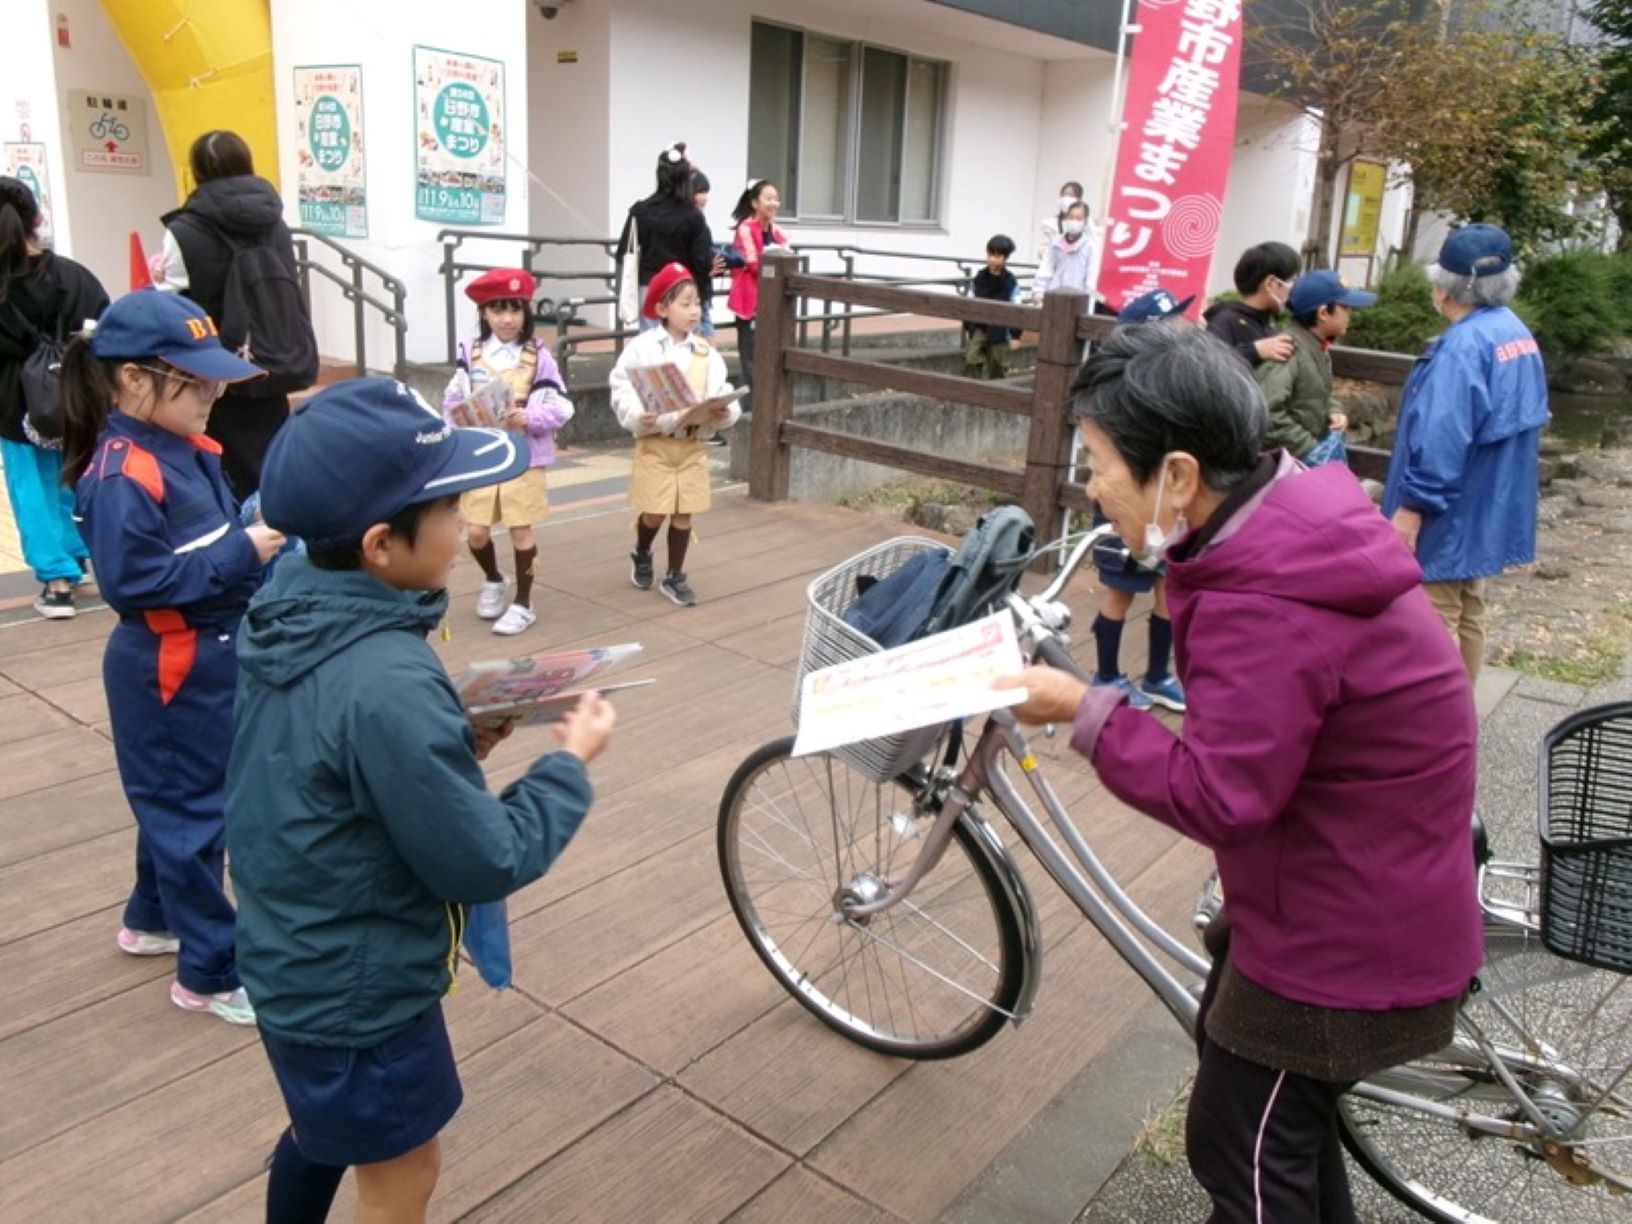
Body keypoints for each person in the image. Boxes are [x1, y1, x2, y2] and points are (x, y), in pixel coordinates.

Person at [1000, 322, 1482, 1223]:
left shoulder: (1264, 603)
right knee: (1275, 1136)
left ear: (1178, 475)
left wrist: (1082, 706)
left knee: (1246, 1150)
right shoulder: (1285, 521)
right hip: (1366, 882)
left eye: (1100, 462)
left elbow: (1224, 794)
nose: (1093, 488)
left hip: (1342, 936)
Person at [226, 377, 616, 1224]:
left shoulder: (287, 612)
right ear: (378, 545)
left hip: (291, 949)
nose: (461, 519)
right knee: (404, 1166)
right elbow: (485, 857)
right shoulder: (387, 674)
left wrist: (454, 741)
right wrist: (569, 765)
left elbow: (326, 762)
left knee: (322, 1132)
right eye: (447, 506)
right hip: (359, 986)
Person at [58, 290, 282, 1025]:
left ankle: (151, 916)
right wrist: (242, 548)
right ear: (132, 380)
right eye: (194, 381)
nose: (213, 395)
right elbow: (135, 584)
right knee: (191, 816)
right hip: (169, 658)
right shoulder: (125, 471)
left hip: (205, 653)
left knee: (180, 801)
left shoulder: (182, 448)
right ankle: (209, 972)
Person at [1382, 223, 1548, 683]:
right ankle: (1462, 721)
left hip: (1449, 509)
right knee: (1469, 609)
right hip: (1489, 503)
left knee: (1430, 621)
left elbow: (1442, 437)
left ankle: (1435, 734)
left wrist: (1412, 509)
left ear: (1444, 285)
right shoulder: (1514, 332)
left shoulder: (1462, 347)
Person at [156, 130, 313, 498]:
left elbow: (173, 301)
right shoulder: (275, 223)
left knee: (225, 467)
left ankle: (242, 541)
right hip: (273, 357)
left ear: (196, 172)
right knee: (271, 460)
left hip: (216, 367)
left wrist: (159, 276)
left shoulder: (184, 230)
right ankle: (280, 531)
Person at [442, 267, 574, 637]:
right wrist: (456, 422)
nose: (507, 319)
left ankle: (524, 603)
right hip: (482, 456)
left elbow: (564, 407)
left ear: (526, 314)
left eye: (515, 310)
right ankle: (494, 578)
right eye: (498, 310)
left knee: (521, 532)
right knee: (478, 532)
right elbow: (452, 399)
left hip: (524, 457)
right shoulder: (470, 353)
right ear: (484, 313)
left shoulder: (539, 357)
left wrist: (529, 416)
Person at [0, 175, 108, 619]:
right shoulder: (72, 274)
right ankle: (79, 557)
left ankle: (56, 581)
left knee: (32, 489)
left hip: (12, 403)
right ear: (36, 218)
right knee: (73, 473)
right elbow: (104, 326)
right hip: (74, 392)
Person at [1086, 288, 1195, 713]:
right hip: (1123, 508)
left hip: (1167, 507)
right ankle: (1107, 676)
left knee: (1169, 588)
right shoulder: (1117, 389)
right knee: (1119, 591)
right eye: (1173, 322)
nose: (1184, 326)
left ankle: (1157, 676)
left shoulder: (1177, 379)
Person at [609, 261, 738, 607]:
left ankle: (675, 576)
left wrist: (725, 411)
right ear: (662, 308)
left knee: (685, 513)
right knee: (655, 511)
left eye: (697, 303)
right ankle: (641, 550)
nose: (694, 311)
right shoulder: (642, 347)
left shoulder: (706, 352)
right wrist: (638, 415)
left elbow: (721, 387)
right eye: (685, 303)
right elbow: (622, 387)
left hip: (693, 445)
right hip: (656, 444)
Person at [1255, 269, 1375, 464]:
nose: (1350, 314)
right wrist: (1308, 448)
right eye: (1346, 307)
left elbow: (1317, 393)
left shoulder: (1314, 345)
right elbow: (1266, 412)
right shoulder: (1287, 350)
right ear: (1323, 313)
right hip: (1289, 465)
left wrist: (1333, 409)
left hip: (1298, 458)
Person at [616, 143, 715, 333]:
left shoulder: (640, 211)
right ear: (686, 179)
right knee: (682, 348)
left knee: (651, 347)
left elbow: (623, 252)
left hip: (649, 286)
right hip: (682, 289)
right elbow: (701, 260)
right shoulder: (693, 216)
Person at [726, 178, 788, 413]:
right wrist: (773, 256)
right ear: (755, 202)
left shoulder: (776, 229)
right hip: (749, 303)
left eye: (776, 198)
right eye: (769, 198)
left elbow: (788, 257)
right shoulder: (745, 228)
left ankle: (761, 406)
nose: (774, 203)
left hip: (771, 303)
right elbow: (752, 263)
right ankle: (750, 411)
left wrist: (774, 255)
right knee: (750, 360)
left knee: (769, 357)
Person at [1203, 241, 1300, 369]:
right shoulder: (1225, 320)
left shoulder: (1267, 323)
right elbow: (1208, 365)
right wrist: (1256, 351)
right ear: (1271, 283)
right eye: (1292, 281)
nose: (1294, 288)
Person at [963, 234, 1023, 381]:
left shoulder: (1010, 282)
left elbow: (1017, 309)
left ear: (1005, 258)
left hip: (1000, 330)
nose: (992, 259)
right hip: (979, 326)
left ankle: (998, 392)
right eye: (990, 254)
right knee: (972, 358)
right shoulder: (980, 278)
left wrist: (1015, 336)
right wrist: (969, 326)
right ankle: (971, 388)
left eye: (997, 256)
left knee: (997, 363)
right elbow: (970, 302)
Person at [1031, 200, 1094, 301]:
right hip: (1054, 295)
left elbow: (1091, 278)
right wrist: (1039, 291)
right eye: (1071, 217)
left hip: (1077, 299)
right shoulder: (1056, 242)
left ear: (1085, 221)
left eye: (1078, 218)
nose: (1074, 221)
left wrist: (1088, 303)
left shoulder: (1090, 246)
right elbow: (1046, 267)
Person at [1036, 179, 1085, 264]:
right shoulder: (1050, 224)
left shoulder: (1085, 225)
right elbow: (1042, 251)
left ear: (1079, 199)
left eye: (1071, 195)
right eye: (1064, 195)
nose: (1066, 198)